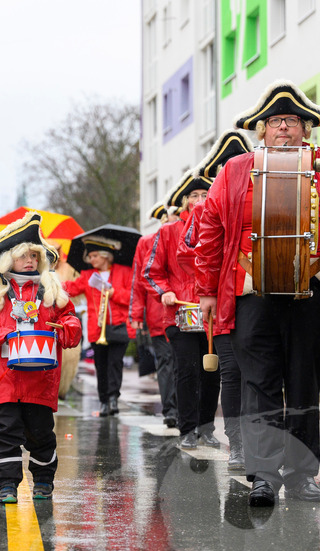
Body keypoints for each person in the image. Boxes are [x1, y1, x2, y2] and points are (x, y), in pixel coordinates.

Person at [194, 80, 320, 506]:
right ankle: (262, 476)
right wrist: (205, 291)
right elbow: (210, 230)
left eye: (292, 122)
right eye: (276, 122)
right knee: (259, 383)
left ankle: (301, 475)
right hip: (253, 291)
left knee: (304, 381)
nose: (284, 130)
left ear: (306, 129)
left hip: (312, 292)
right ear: (262, 130)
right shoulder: (235, 171)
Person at [0, 212, 82, 502]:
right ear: (7, 259)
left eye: (34, 254)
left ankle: (43, 481)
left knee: (41, 433)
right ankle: (6, 486)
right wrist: (3, 333)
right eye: (22, 256)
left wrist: (67, 329)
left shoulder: (51, 290)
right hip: (3, 379)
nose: (29, 260)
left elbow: (70, 321)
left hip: (40, 379)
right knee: (5, 433)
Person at [176, 130, 254, 471]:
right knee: (232, 375)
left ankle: (261, 446)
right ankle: (238, 446)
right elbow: (187, 251)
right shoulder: (204, 209)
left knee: (261, 377)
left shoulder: (263, 194)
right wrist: (210, 279)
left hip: (260, 297)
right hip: (223, 301)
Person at [144, 169, 222, 451]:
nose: (200, 199)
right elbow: (151, 271)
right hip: (180, 312)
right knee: (187, 370)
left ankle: (207, 428)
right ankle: (187, 428)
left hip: (213, 311)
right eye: (194, 195)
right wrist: (165, 291)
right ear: (185, 201)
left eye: (204, 194)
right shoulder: (167, 232)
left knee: (212, 372)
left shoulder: (219, 226)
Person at [64, 235, 135, 417]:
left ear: (106, 256)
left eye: (94, 255)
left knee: (115, 364)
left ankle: (113, 398)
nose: (91, 259)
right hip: (97, 330)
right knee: (101, 366)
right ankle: (104, 401)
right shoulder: (88, 275)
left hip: (119, 327)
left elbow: (133, 297)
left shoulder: (125, 272)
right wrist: (52, 282)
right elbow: (71, 288)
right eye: (90, 256)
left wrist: (114, 293)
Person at [129, 203, 178, 429]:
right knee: (167, 362)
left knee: (183, 363)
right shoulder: (147, 242)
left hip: (186, 309)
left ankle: (183, 409)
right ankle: (171, 409)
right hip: (159, 311)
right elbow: (139, 281)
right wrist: (137, 314)